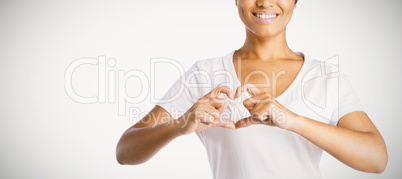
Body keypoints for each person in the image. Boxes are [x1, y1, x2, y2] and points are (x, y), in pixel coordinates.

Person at [116, 0, 388, 178]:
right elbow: (125, 152)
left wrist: (294, 122)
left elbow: (377, 159)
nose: (264, 2)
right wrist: (178, 124)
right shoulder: (205, 74)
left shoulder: (325, 77)